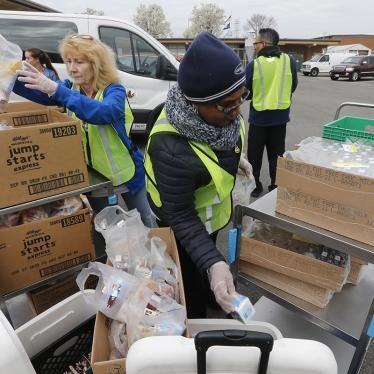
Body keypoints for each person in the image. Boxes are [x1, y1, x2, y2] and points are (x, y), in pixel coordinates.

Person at [144, 32, 252, 318]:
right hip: (181, 223)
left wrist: (237, 158)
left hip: (211, 216)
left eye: (242, 98)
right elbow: (181, 216)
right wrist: (213, 263)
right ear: (195, 103)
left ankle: (211, 292)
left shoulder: (221, 117)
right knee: (190, 275)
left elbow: (223, 143)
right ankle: (195, 317)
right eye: (228, 104)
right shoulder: (170, 148)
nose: (237, 110)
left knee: (208, 260)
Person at [14, 34, 153, 227]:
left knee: (145, 220)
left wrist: (57, 90)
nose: (71, 68)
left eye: (79, 62)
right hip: (95, 180)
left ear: (96, 64)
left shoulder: (114, 90)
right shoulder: (71, 87)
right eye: (69, 61)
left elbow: (104, 113)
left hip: (127, 175)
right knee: (107, 227)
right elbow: (41, 92)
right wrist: (9, 76)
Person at [246, 28, 298, 197]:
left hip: (258, 119)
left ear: (264, 43)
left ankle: (255, 186)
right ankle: (276, 186)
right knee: (277, 154)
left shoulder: (254, 64)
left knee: (255, 155)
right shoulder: (289, 61)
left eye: (256, 43)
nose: (254, 47)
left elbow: (247, 91)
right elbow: (293, 85)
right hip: (280, 118)